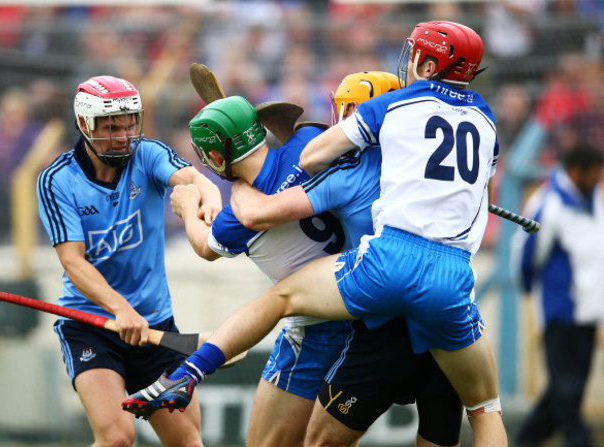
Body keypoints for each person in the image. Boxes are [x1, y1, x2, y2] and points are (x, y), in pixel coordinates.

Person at [123, 21, 507, 447]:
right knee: (484, 410)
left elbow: (276, 193)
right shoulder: (484, 119)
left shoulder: (381, 121)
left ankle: (188, 372)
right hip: (450, 288)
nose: (340, 116)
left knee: (281, 305)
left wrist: (217, 193)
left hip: (371, 296)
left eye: (349, 109)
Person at [230, 71, 463, 447]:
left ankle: (201, 362)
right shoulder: (428, 170)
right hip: (445, 312)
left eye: (347, 111)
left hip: (378, 323)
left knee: (318, 441)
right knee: (483, 413)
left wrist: (240, 183)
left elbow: (258, 214)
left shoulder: (347, 174)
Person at [125, 94, 352, 447]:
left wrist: (187, 208)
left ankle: (188, 375)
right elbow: (296, 137)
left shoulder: (235, 221)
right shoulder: (307, 146)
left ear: (215, 157)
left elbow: (205, 247)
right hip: (364, 305)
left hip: (313, 332)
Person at [37, 75, 222, 447]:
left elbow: (193, 178)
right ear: (84, 125)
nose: (122, 135)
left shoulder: (148, 154)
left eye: (127, 124)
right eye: (110, 127)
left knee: (187, 441)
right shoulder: (57, 180)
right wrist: (120, 309)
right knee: (118, 437)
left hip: (156, 325)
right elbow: (73, 262)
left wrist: (211, 196)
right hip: (91, 325)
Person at [513, 144, 604, 447]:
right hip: (561, 311)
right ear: (576, 170)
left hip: (588, 313)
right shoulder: (549, 202)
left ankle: (524, 441)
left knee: (566, 390)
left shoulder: (595, 200)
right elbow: (525, 253)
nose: (598, 178)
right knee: (567, 392)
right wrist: (532, 292)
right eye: (594, 172)